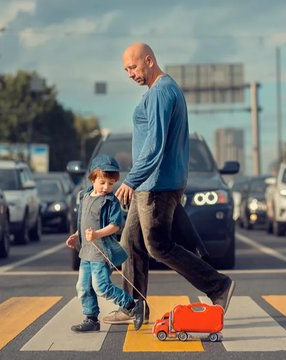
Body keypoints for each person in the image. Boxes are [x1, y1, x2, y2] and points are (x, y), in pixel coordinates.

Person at [103, 42, 235, 325]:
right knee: (130, 244)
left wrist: (132, 179)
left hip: (157, 185)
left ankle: (218, 285)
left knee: (157, 246)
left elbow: (154, 145)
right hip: (149, 185)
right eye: (126, 69)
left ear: (149, 60)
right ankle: (133, 306)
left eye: (133, 67)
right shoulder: (156, 92)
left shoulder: (162, 92)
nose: (130, 74)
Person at [65, 154, 144, 332]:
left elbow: (116, 226)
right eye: (102, 182)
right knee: (83, 287)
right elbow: (85, 222)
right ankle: (91, 319)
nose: (106, 187)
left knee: (101, 286)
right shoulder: (85, 196)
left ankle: (132, 305)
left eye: (110, 183)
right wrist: (77, 235)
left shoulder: (111, 202)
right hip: (86, 252)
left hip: (101, 252)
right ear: (93, 179)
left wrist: (97, 234)